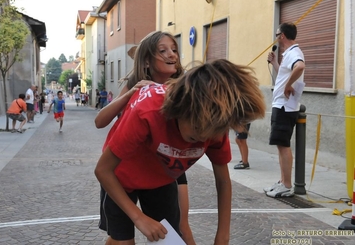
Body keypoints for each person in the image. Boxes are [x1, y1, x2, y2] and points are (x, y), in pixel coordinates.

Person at [94, 59, 266, 245]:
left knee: (169, 241)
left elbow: (223, 180)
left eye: (208, 136)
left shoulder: (215, 123)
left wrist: (222, 237)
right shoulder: (148, 112)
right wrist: (139, 218)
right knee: (123, 242)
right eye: (196, 133)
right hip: (120, 176)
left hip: (161, 180)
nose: (202, 140)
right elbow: (103, 170)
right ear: (181, 110)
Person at [94, 31, 195, 244]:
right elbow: (100, 121)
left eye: (174, 50)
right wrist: (131, 93)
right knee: (121, 239)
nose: (172, 55)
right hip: (121, 172)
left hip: (162, 170)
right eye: (163, 51)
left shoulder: (186, 86)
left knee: (172, 236)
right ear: (147, 61)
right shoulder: (134, 84)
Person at [265, 22, 305, 198]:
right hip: (281, 105)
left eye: (276, 34)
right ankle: (283, 181)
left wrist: (288, 85)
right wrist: (275, 62)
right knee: (280, 145)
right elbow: (284, 73)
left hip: (285, 107)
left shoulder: (295, 52)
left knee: (283, 145)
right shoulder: (288, 54)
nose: (275, 38)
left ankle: (287, 184)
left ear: (282, 36)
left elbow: (300, 66)